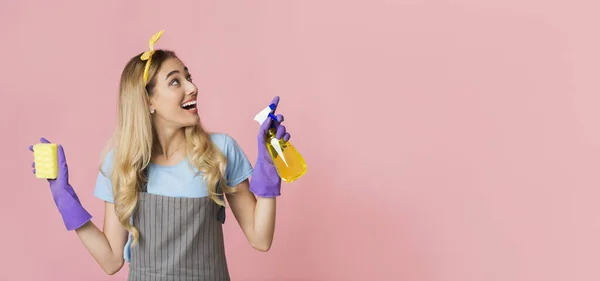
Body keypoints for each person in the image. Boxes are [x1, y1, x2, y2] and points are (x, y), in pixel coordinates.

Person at [28, 30, 291, 281]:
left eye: (189, 77)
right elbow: (111, 261)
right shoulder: (122, 162)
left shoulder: (219, 150)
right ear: (149, 101)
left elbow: (261, 239)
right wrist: (66, 201)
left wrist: (269, 168)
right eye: (176, 81)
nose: (192, 87)